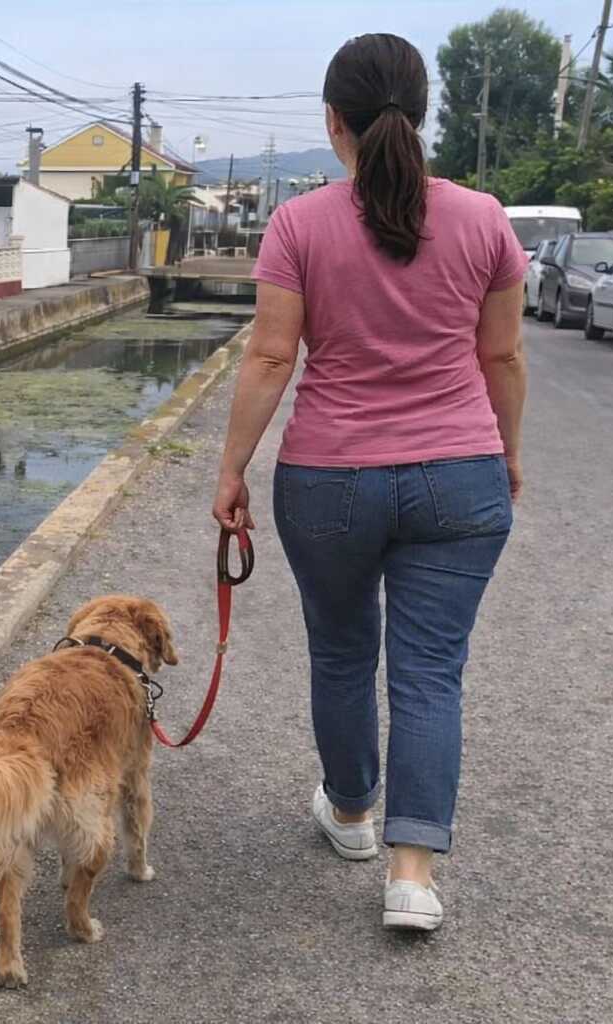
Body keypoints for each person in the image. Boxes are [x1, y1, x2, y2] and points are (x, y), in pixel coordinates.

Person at [211, 32, 527, 932]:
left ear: (333, 122)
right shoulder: (485, 219)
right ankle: (413, 875)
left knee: (344, 651)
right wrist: (504, 455)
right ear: (422, 116)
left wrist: (232, 468)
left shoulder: (298, 224)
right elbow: (500, 354)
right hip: (459, 475)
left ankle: (350, 813)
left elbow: (273, 355)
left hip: (330, 479)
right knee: (431, 671)